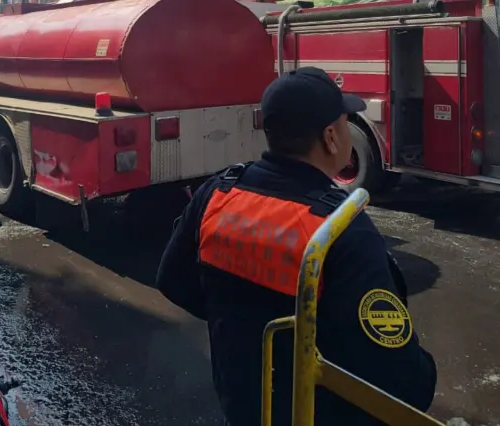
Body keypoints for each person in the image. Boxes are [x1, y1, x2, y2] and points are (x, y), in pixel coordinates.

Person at [156, 67, 437, 426]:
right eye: (345, 120)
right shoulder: (337, 229)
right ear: (331, 137)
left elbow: (173, 281)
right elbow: (402, 381)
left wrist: (241, 327)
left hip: (240, 406)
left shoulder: (219, 193)